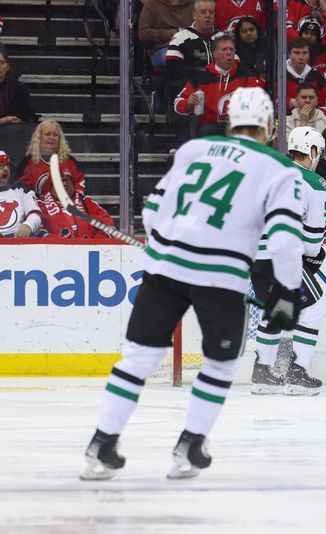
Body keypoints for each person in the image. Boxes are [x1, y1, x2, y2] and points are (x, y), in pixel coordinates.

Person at [79, 87, 305, 480]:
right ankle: (190, 445)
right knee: (219, 365)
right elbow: (285, 239)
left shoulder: (193, 150)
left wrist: (164, 245)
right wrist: (287, 292)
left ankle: (101, 444)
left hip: (165, 268)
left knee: (137, 359)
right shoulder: (280, 169)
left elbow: (151, 210)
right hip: (221, 278)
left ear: (229, 120)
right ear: (270, 126)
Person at [251, 126, 326, 396]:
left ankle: (263, 373)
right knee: (313, 308)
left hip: (257, 255)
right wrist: (315, 256)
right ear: (313, 151)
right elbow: (312, 243)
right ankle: (298, 373)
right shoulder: (315, 183)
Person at [174, 35, 263, 137]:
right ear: (215, 54)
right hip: (210, 128)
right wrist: (188, 102)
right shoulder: (201, 78)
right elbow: (177, 103)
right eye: (224, 49)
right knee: (208, 130)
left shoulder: (246, 75)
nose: (229, 52)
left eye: (231, 49)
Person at [14, 120, 86, 197]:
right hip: (36, 206)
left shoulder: (70, 162)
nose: (52, 138)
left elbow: (80, 187)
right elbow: (21, 190)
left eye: (55, 135)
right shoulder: (27, 163)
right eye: (47, 134)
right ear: (39, 137)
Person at [39, 168, 115, 239]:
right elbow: (38, 233)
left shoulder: (87, 203)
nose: (65, 183)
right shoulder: (41, 206)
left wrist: (93, 243)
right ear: (51, 185)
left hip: (88, 250)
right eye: (61, 181)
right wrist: (60, 244)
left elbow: (108, 226)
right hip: (54, 251)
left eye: (68, 180)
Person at [138, 0, 194, 69]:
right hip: (163, 47)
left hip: (190, 46)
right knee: (175, 59)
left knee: (201, 58)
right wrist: (172, 34)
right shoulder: (152, 4)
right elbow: (143, 33)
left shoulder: (193, 5)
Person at [285, 38, 326, 116]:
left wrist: (313, 116)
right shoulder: (278, 76)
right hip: (284, 123)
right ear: (289, 55)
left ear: (309, 55)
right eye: (296, 53)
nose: (301, 57)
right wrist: (289, 102)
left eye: (304, 53)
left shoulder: (317, 78)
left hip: (312, 123)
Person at [0, 150, 41, 238]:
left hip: (18, 241)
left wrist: (28, 225)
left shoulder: (22, 190)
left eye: (7, 165)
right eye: (1, 166)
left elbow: (35, 214)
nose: (6, 169)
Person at [0, 50, 36, 124]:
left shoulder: (18, 88)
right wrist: (3, 120)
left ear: (8, 67)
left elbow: (29, 115)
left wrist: (21, 120)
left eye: (1, 62)